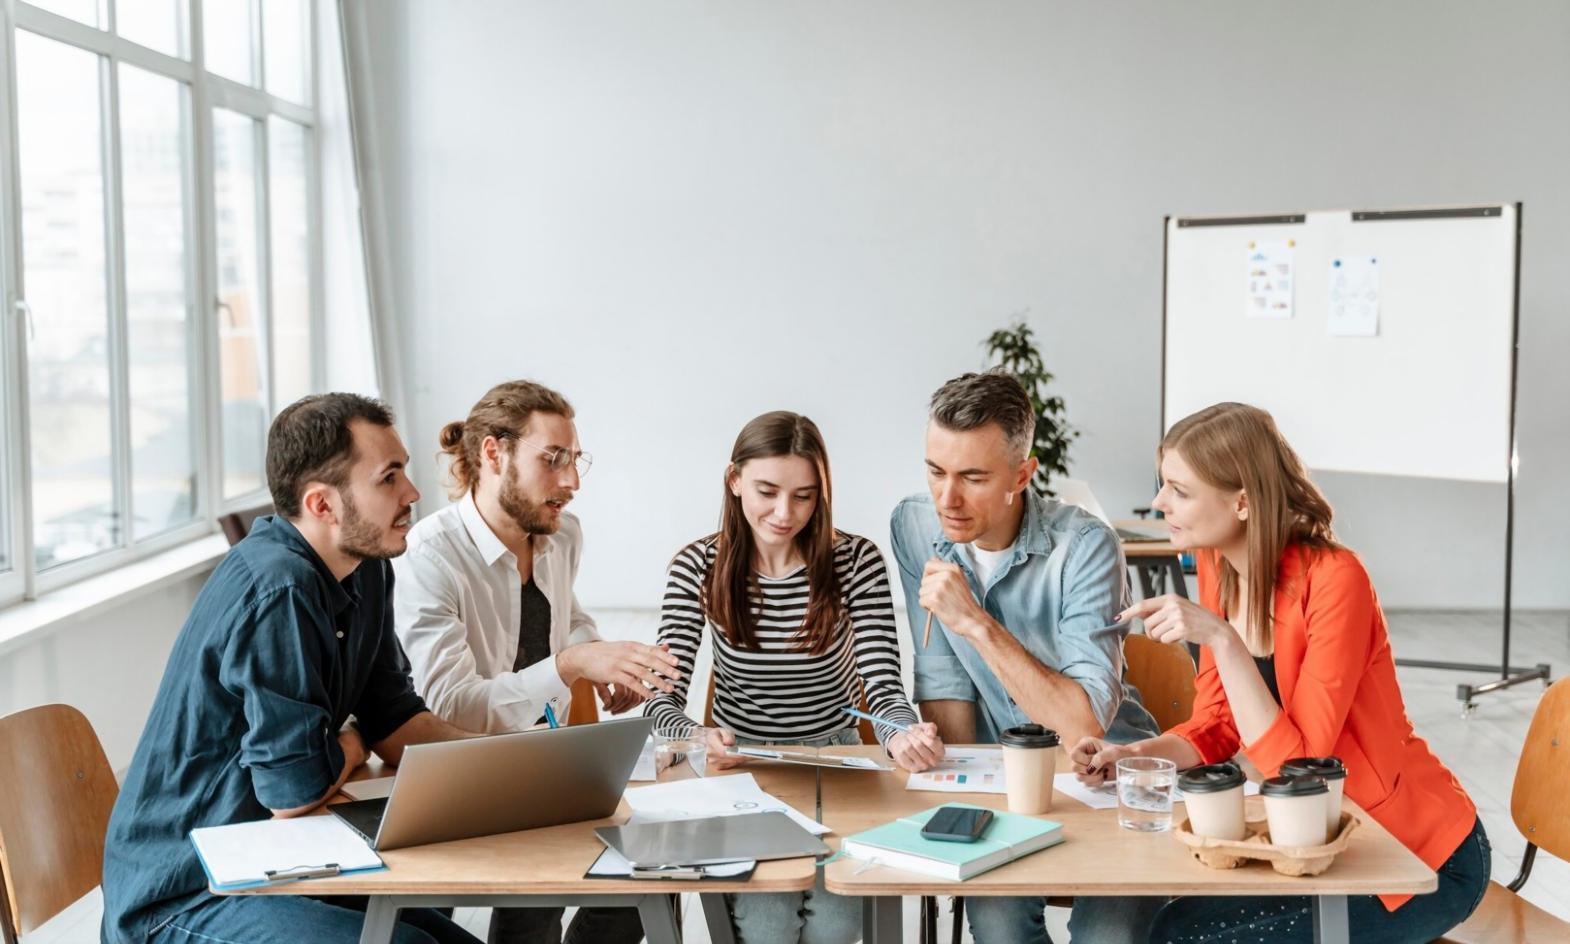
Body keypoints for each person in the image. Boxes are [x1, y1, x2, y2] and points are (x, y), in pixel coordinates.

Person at [1070, 402, 1489, 943]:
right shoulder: (1220, 565)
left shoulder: (1338, 580)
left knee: (1182, 939)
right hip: (1308, 844)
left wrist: (1222, 638)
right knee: (1166, 926)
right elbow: (1217, 723)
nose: (1158, 503)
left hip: (1407, 857)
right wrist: (1133, 755)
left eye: (1179, 489)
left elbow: (1303, 770)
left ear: (1242, 501)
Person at [101, 394, 480, 944]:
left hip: (270, 860)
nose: (412, 493)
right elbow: (294, 796)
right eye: (389, 478)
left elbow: (394, 722)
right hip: (185, 894)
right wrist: (353, 744)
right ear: (323, 505)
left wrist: (510, 762)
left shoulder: (367, 568)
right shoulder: (280, 587)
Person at [394, 379, 679, 944]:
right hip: (464, 772)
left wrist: (603, 664)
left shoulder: (560, 533)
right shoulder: (429, 556)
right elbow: (452, 707)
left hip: (543, 756)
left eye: (575, 461)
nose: (571, 482)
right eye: (552, 460)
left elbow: (565, 615)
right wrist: (574, 663)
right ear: (493, 454)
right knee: (536, 902)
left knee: (662, 865)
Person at [645, 410, 944, 944]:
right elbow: (659, 699)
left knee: (840, 921)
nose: (785, 513)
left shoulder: (857, 560)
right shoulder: (697, 566)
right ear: (734, 480)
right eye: (767, 491)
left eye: (804, 496)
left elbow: (882, 686)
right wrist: (694, 734)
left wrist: (899, 732)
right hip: (744, 769)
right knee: (766, 926)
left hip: (838, 760)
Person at [889, 369, 1163, 944]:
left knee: (1109, 934)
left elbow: (1082, 721)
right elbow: (942, 676)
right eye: (936, 471)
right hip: (999, 769)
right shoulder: (914, 523)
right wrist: (963, 795)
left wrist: (977, 623)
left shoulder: (1086, 547)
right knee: (997, 922)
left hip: (1102, 768)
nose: (948, 498)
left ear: (1022, 473)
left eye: (973, 477)